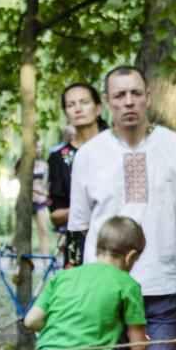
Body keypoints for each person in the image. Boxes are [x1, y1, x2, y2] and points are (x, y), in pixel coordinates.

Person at [68, 66, 176, 350]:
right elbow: (80, 226)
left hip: (158, 285)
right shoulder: (88, 155)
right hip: (106, 290)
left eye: (135, 93)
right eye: (119, 95)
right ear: (107, 104)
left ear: (147, 98)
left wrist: (160, 242)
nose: (128, 102)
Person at [24, 216, 147, 350]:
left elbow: (31, 321)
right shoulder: (127, 284)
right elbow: (138, 347)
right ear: (130, 256)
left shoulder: (64, 276)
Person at [48, 83, 107, 267]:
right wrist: (91, 207)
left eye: (84, 102)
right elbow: (56, 214)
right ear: (66, 112)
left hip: (117, 240)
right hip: (78, 244)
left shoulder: (118, 146)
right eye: (71, 105)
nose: (78, 109)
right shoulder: (59, 157)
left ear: (98, 108)